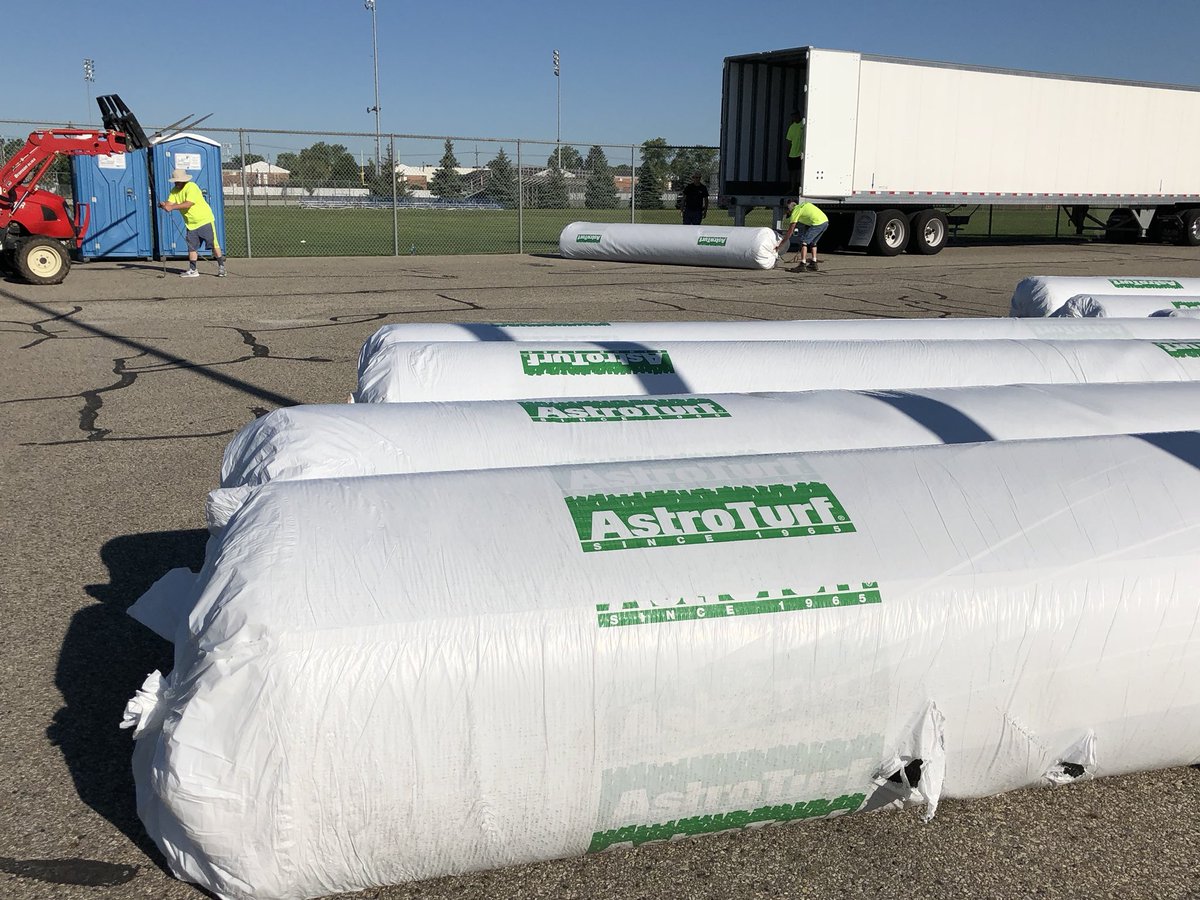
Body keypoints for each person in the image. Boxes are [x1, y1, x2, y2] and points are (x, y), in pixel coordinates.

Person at [158, 168, 226, 278]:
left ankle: (221, 267)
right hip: (190, 223)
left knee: (214, 244)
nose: (176, 183)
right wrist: (164, 204)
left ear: (184, 180)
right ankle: (193, 270)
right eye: (175, 181)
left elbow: (188, 203)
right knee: (191, 247)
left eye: (178, 181)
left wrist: (172, 207)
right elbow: (169, 202)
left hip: (204, 220)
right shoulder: (174, 191)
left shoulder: (192, 187)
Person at [775, 197, 829, 272]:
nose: (788, 214)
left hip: (817, 223)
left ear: (789, 209)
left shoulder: (795, 212)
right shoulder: (801, 206)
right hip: (825, 221)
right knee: (813, 243)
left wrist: (780, 245)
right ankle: (814, 263)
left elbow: (790, 232)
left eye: (788, 212)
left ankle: (802, 264)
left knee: (803, 242)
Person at [785, 110, 805, 193]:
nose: (794, 118)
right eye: (793, 117)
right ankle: (793, 188)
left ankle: (801, 188)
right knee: (793, 173)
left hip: (802, 154)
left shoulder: (803, 125)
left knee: (801, 172)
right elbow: (789, 141)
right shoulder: (792, 127)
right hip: (793, 154)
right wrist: (787, 154)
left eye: (795, 116)